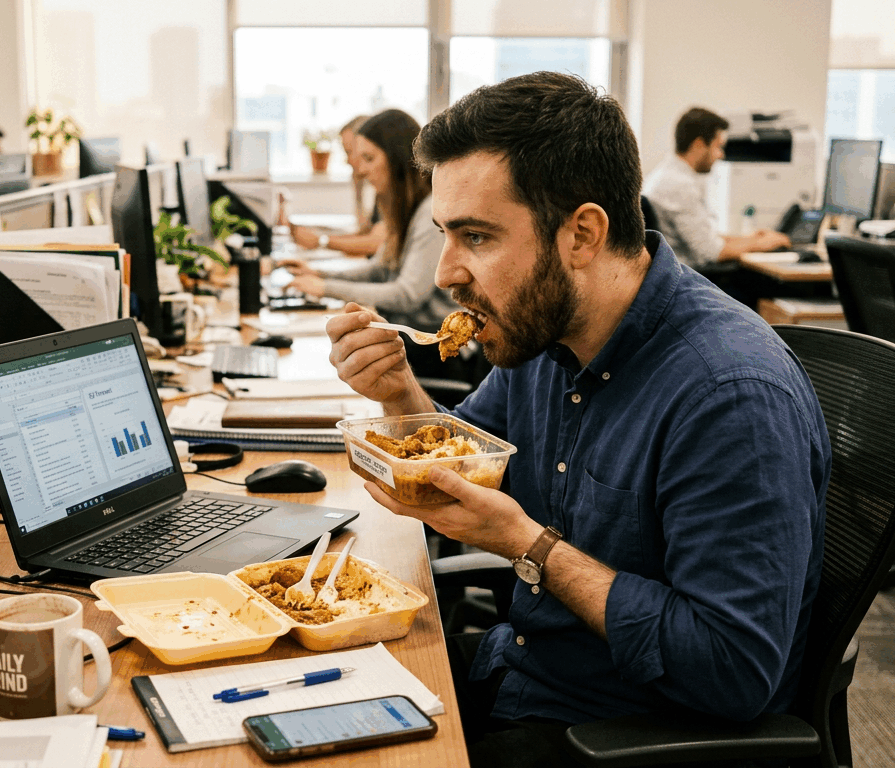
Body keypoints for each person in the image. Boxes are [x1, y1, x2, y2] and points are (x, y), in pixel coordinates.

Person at [325, 73, 829, 768]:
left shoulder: (731, 395)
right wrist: (398, 391)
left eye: (476, 236)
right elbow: (461, 466)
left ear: (583, 235)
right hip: (522, 673)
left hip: (615, 733)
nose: (445, 273)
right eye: (445, 235)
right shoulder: (542, 333)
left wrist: (531, 547)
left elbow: (733, 670)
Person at [282, 108, 462, 379]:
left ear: (397, 159)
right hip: (408, 338)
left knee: (329, 365)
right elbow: (379, 269)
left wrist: (324, 288)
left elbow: (408, 296)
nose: (360, 168)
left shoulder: (430, 213)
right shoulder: (404, 207)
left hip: (433, 349)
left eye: (368, 158)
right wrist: (318, 275)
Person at [643, 107, 791, 305]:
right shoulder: (680, 185)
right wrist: (761, 244)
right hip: (692, 284)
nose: (721, 155)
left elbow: (706, 236)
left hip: (683, 278)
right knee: (775, 286)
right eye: (718, 146)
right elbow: (711, 252)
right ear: (698, 145)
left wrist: (750, 239)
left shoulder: (668, 175)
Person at [288, 114, 386, 257]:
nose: (347, 161)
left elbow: (375, 243)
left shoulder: (386, 188)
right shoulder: (368, 186)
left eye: (349, 152)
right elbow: (365, 231)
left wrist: (321, 241)